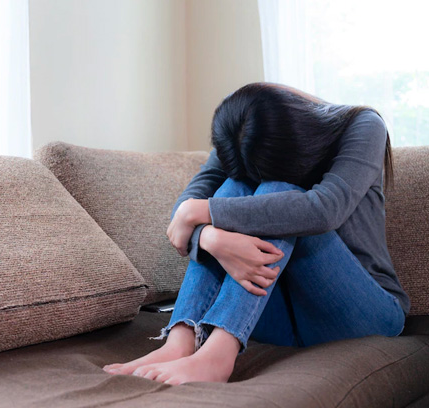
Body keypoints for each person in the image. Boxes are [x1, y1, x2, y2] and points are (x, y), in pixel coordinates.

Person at [102, 82, 410, 385]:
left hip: (363, 314)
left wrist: (204, 215)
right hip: (273, 318)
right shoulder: (242, 126)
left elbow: (324, 209)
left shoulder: (363, 125)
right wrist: (212, 238)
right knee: (233, 188)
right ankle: (181, 340)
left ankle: (218, 355)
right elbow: (185, 212)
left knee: (278, 191)